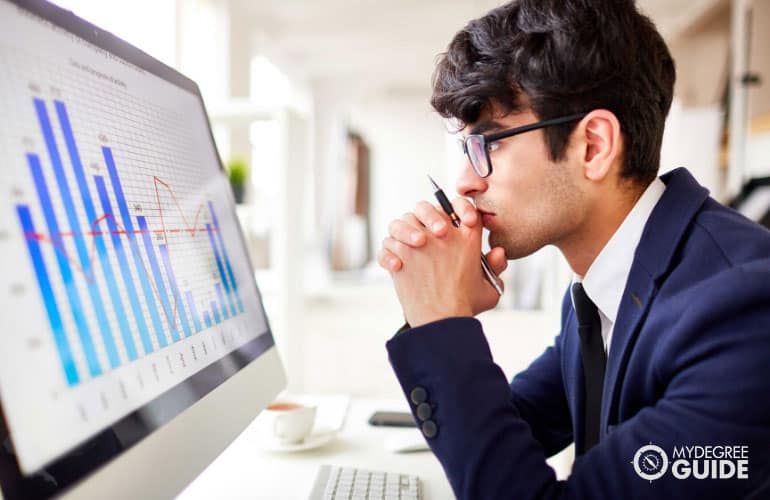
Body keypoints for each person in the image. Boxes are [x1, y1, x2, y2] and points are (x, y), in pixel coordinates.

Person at [377, 0, 770, 498]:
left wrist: (441, 323)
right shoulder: (605, 284)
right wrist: (442, 311)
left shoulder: (743, 313)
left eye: (490, 144)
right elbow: (515, 430)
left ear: (594, 146)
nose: (465, 182)